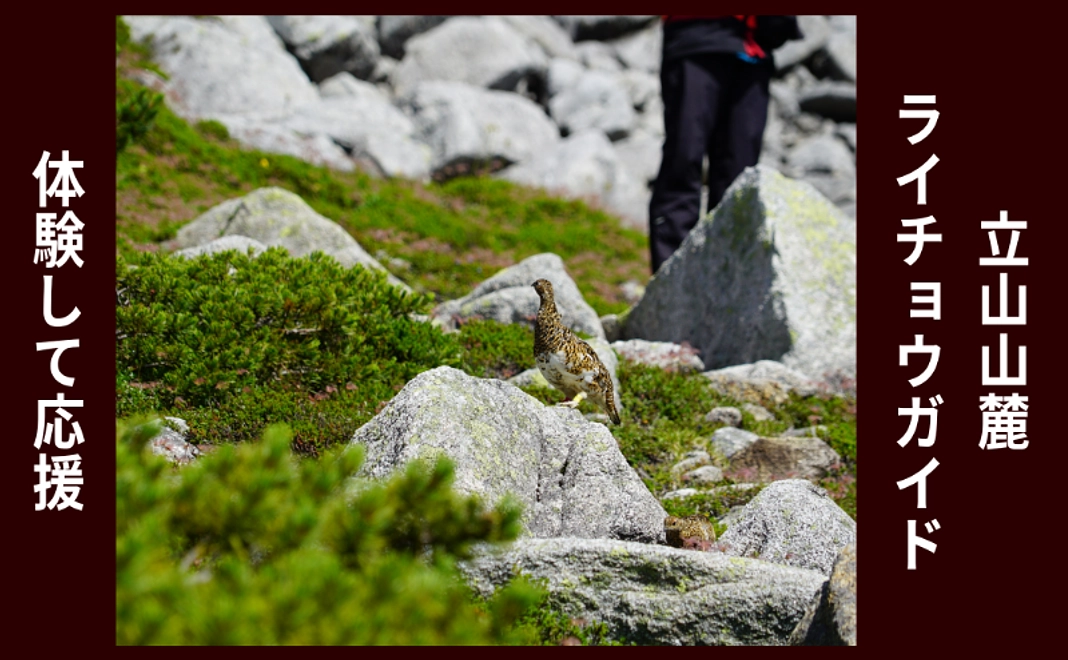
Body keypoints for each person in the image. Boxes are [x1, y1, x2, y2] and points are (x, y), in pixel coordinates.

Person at [648, 15, 803, 273]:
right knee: (684, 158)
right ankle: (670, 280)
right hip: (696, 35)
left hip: (755, 48)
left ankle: (724, 281)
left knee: (738, 176)